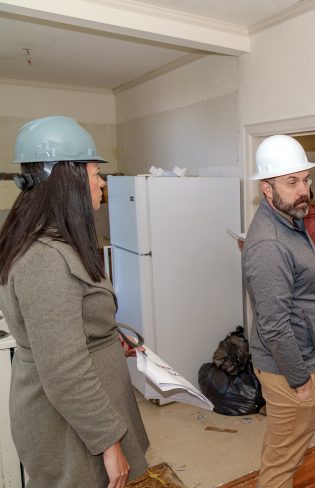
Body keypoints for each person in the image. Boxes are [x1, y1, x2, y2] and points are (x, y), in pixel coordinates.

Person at [0, 116, 149, 487]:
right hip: (72, 431)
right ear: (67, 179)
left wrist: (106, 340)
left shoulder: (60, 240)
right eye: (96, 173)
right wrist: (108, 443)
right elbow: (63, 369)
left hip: (87, 417)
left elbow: (73, 326)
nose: (102, 182)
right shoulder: (44, 258)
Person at [242, 134, 315, 488]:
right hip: (291, 369)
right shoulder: (268, 244)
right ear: (267, 189)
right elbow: (274, 325)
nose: (304, 190)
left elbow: (300, 264)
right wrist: (299, 382)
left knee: (285, 449)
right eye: (292, 182)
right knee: (283, 463)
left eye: (306, 179)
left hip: (303, 358)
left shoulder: (289, 218)